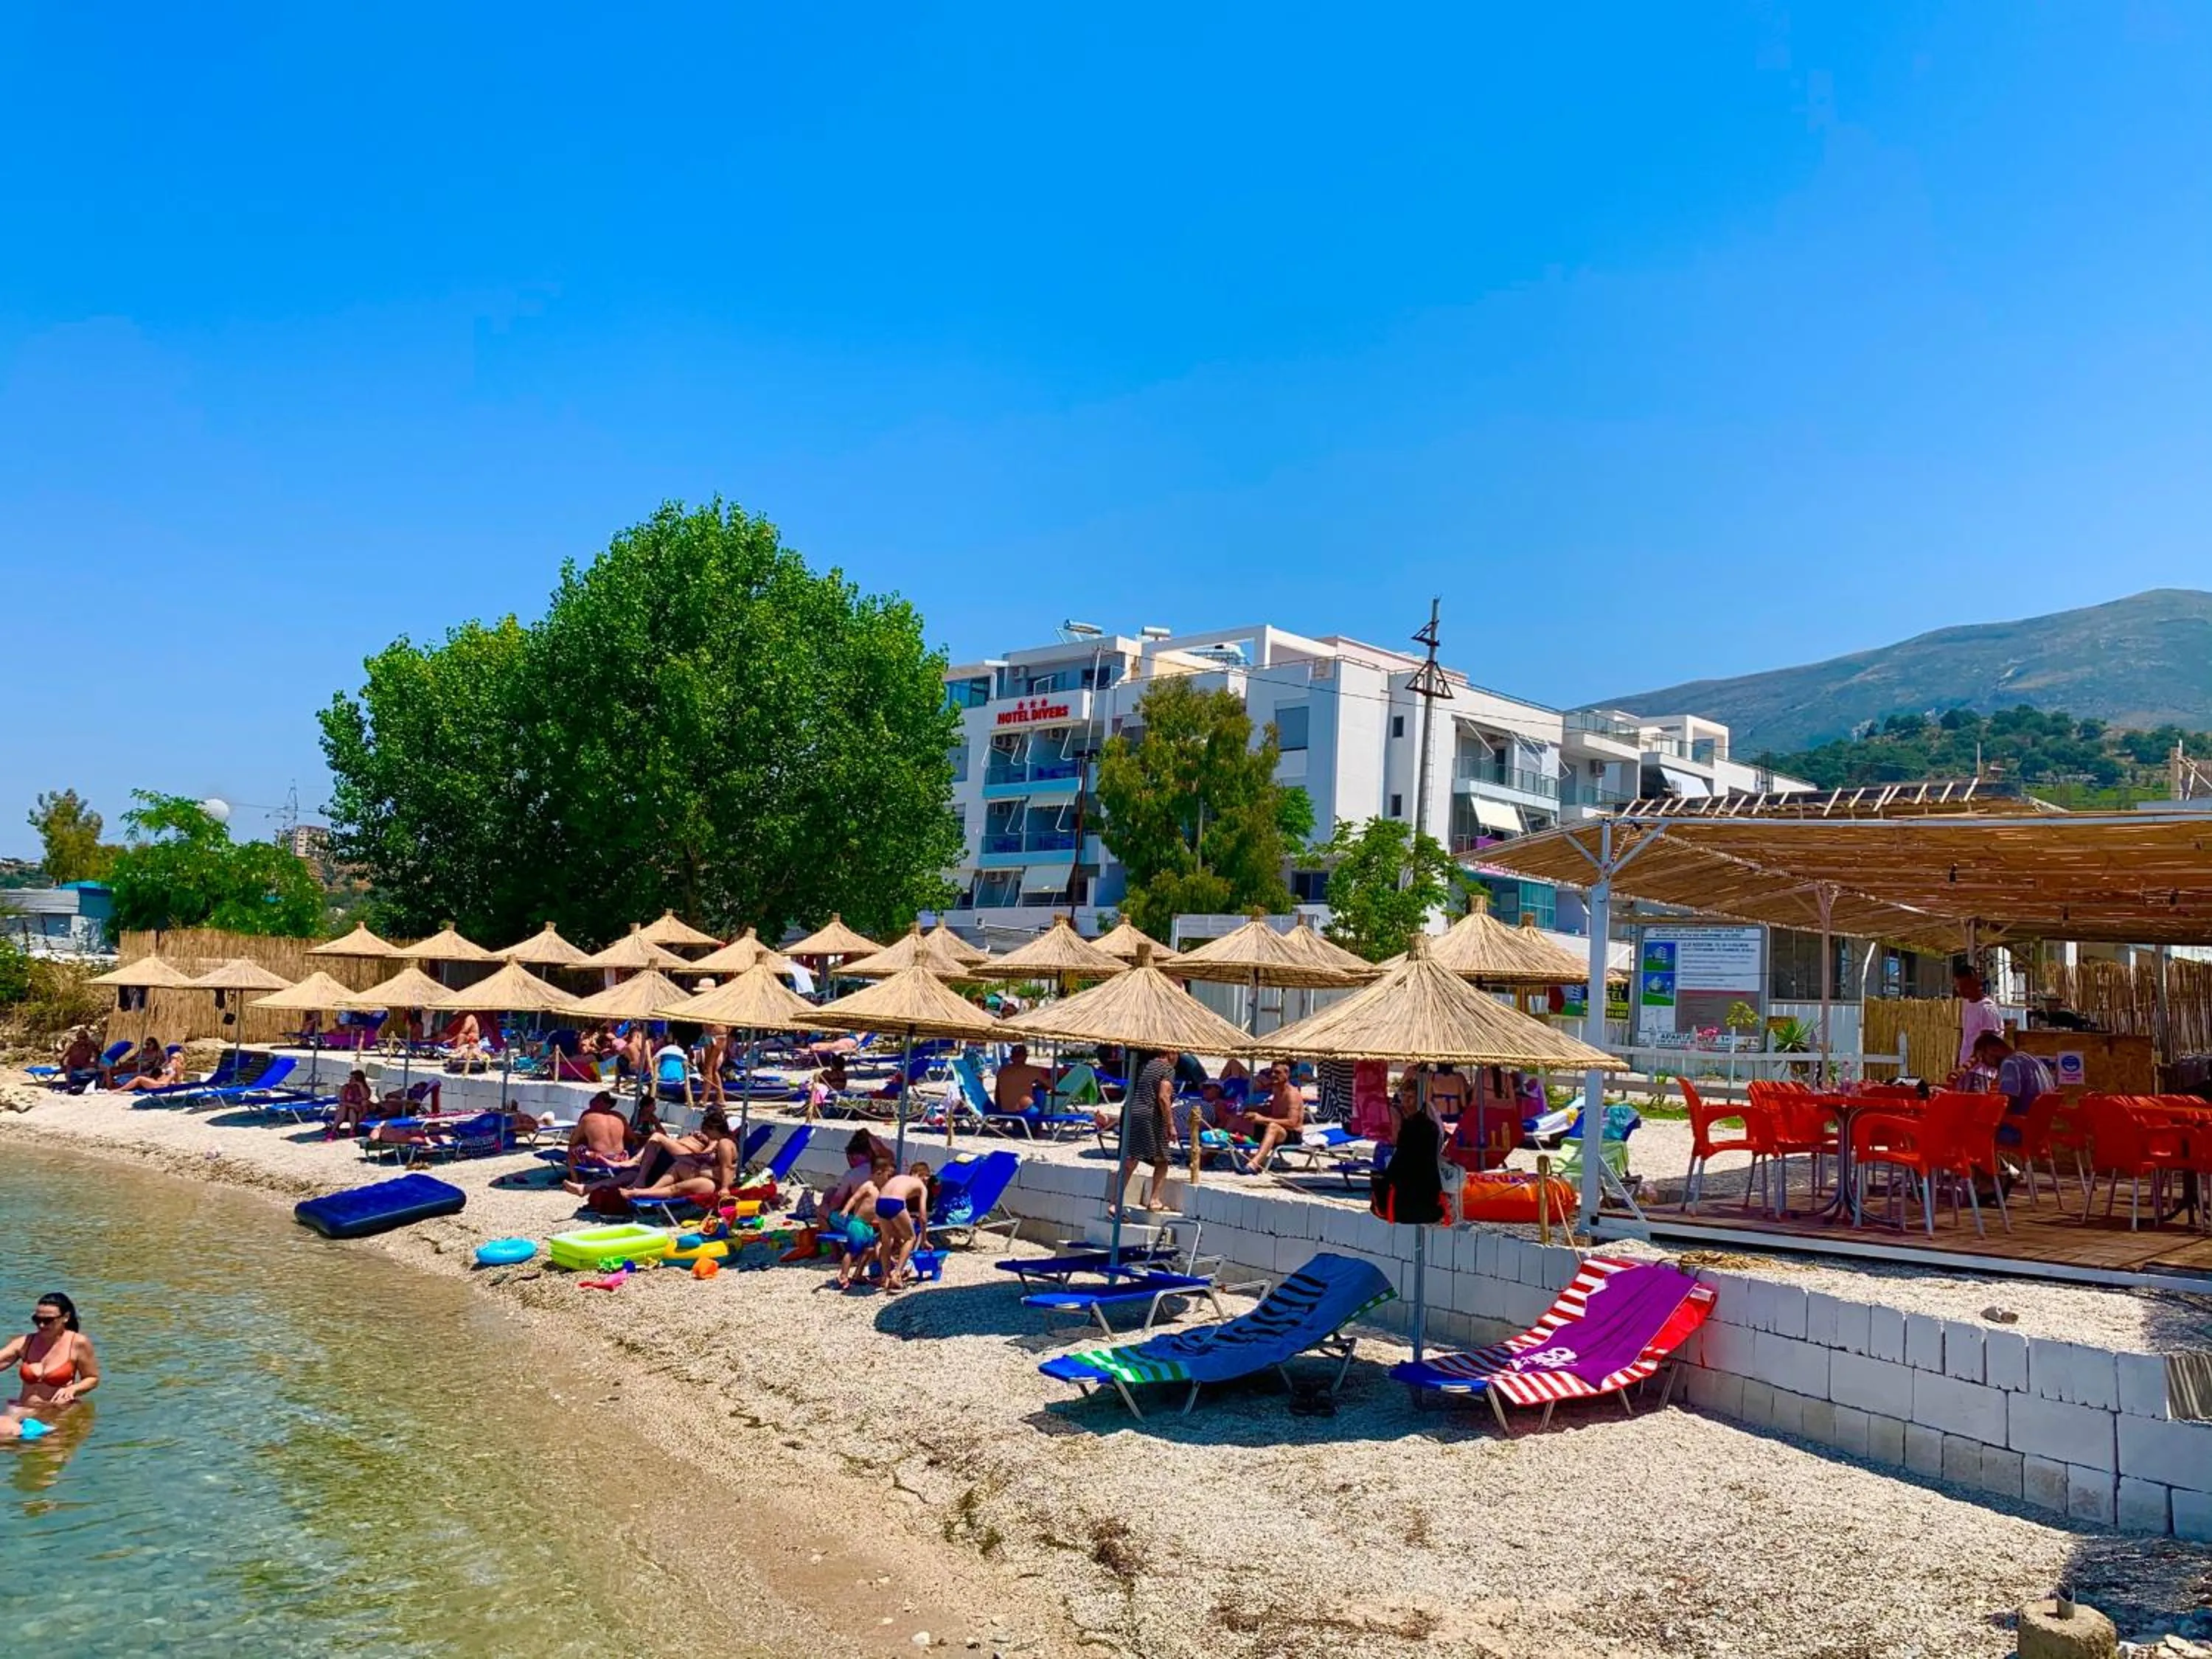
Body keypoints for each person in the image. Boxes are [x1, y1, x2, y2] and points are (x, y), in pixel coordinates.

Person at [1, 1293, 98, 1441]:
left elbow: (92, 1378)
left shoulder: (78, 1343)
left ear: (65, 1318)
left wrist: (73, 1389)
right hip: (23, 1409)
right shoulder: (25, 1342)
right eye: (37, 1319)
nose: (41, 1325)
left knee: (50, 1457)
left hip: (58, 1411)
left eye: (48, 1320)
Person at [617, 1107, 737, 1206]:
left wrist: (725, 1188)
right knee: (679, 1165)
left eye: (707, 1132)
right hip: (706, 1176)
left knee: (674, 1189)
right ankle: (651, 1190)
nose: (707, 1135)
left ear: (714, 1129)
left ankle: (638, 1193)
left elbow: (728, 1167)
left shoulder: (724, 1143)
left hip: (713, 1184)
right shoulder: (721, 1142)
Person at [1112, 1049, 1178, 1214]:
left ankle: (1115, 1203)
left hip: (1130, 1112)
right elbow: (1163, 1097)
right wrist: (1170, 1125)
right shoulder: (1167, 1069)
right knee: (1163, 1159)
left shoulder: (1144, 1066)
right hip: (1149, 1116)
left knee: (1130, 1160)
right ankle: (1154, 1200)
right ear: (1171, 1052)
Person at [1972, 1030, 2056, 1150]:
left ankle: (1979, 1168)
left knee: (1969, 1129)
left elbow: (2007, 1100)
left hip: (2018, 1131)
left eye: (1984, 1058)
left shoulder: (2010, 1064)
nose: (1987, 1065)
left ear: (1993, 1050)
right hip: (2038, 1133)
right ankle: (1995, 1166)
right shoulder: (2033, 1060)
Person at [834, 1155, 895, 1290]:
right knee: (852, 1250)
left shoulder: (882, 1191)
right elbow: (854, 1198)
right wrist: (846, 1209)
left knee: (869, 1250)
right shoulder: (868, 1186)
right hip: (857, 1223)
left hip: (868, 1226)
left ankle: (858, 1274)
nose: (889, 1180)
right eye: (888, 1176)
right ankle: (843, 1275)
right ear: (879, 1173)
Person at [871, 1160, 933, 1292]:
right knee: (910, 1238)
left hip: (880, 1202)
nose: (927, 1183)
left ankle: (885, 1276)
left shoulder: (899, 1177)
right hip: (895, 1202)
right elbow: (923, 1217)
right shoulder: (922, 1186)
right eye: (927, 1180)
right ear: (924, 1176)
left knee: (886, 1239)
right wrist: (924, 1239)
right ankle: (897, 1275)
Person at [1242, 1060, 1306, 1174]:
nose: (1273, 1075)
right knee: (1239, 1119)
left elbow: (1292, 1123)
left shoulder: (1292, 1095)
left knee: (1273, 1127)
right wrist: (1255, 1109)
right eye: (1272, 1072)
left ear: (1287, 1074)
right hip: (1277, 1129)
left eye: (1277, 1073)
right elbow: (1275, 1110)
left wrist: (1263, 1119)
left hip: (1291, 1135)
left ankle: (1253, 1165)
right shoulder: (1276, 1090)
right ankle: (1210, 1154)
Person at [1955, 967, 2004, 1076]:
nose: (1960, 990)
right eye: (1958, 986)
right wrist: (1959, 1065)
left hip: (1981, 1073)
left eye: (1964, 986)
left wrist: (1966, 1066)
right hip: (1966, 1071)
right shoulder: (1967, 1005)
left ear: (1975, 983)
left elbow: (1986, 1047)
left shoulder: (1987, 1009)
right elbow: (1966, 1038)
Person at [993, 1044, 1051, 1116]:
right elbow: (1051, 1085)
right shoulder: (1032, 1070)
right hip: (1025, 1111)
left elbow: (997, 1094)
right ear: (1025, 1057)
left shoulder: (1002, 1071)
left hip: (1003, 1110)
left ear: (1011, 1057)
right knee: (1040, 1092)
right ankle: (1037, 1124)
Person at [108, 1046, 186, 1093]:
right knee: (139, 1078)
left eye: (174, 1058)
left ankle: (120, 1089)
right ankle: (120, 1088)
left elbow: (178, 1079)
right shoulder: (170, 1065)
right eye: (172, 1057)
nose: (172, 1059)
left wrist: (175, 1087)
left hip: (161, 1085)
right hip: (158, 1083)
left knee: (139, 1078)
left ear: (179, 1059)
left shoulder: (177, 1066)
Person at [329, 1069, 378, 1136]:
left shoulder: (364, 1088)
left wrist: (360, 1086)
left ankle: (351, 1130)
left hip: (359, 1113)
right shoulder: (345, 1087)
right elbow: (342, 1102)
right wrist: (354, 1105)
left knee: (357, 1108)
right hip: (346, 1111)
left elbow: (365, 1097)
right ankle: (334, 1130)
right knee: (344, 1108)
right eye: (350, 1078)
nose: (350, 1080)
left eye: (353, 1078)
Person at [700, 1023, 730, 1107]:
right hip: (719, 1034)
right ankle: (721, 1098)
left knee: (708, 1069)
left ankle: (704, 1099)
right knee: (713, 1070)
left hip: (713, 1035)